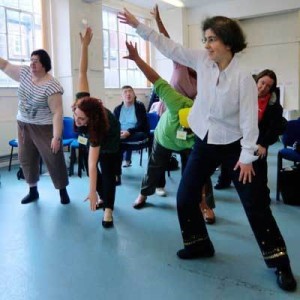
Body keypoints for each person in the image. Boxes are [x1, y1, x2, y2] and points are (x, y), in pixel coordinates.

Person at [118, 9, 297, 291]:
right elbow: (171, 48)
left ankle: (280, 262)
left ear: (227, 42)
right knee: (185, 196)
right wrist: (139, 25)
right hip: (204, 141)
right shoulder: (202, 60)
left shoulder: (243, 80)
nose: (206, 45)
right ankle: (199, 244)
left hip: (234, 146)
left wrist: (247, 157)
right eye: (205, 39)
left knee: (255, 204)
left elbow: (250, 123)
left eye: (211, 39)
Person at [149, 4, 216, 223]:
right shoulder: (180, 64)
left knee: (198, 163)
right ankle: (152, 189)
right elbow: (166, 42)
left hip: (192, 121)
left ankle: (204, 204)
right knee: (159, 156)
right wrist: (158, 21)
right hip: (169, 117)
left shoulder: (206, 73)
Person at [0, 50, 70, 205]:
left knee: (54, 158)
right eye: (31, 60)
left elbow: (58, 113)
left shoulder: (52, 85)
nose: (32, 63)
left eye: (36, 61)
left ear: (44, 64)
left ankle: (62, 191)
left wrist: (56, 137)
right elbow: (5, 65)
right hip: (23, 124)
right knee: (26, 157)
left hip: (44, 127)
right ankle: (33, 191)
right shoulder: (25, 73)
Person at [73, 27, 120, 228]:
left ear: (90, 119)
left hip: (110, 139)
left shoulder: (97, 128)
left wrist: (90, 192)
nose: (76, 120)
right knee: (91, 165)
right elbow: (82, 71)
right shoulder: (82, 103)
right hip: (92, 137)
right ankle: (102, 195)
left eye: (81, 119)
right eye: (76, 115)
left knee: (107, 171)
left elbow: (94, 164)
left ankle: (108, 208)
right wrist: (84, 46)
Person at [214, 69, 284, 197]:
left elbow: (274, 128)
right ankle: (224, 180)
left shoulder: (274, 105)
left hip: (260, 140)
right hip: (238, 133)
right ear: (257, 80)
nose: (263, 88)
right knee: (228, 156)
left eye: (268, 86)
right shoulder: (244, 93)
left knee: (260, 166)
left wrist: (263, 144)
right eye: (262, 83)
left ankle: (263, 191)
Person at [113, 85, 148, 177]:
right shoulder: (117, 109)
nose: (128, 94)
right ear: (122, 96)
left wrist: (129, 132)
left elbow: (142, 124)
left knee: (118, 142)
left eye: (130, 91)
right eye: (125, 92)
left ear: (134, 94)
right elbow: (113, 125)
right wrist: (118, 133)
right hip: (120, 134)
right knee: (113, 139)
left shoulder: (139, 107)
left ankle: (118, 169)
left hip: (135, 133)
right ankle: (116, 172)